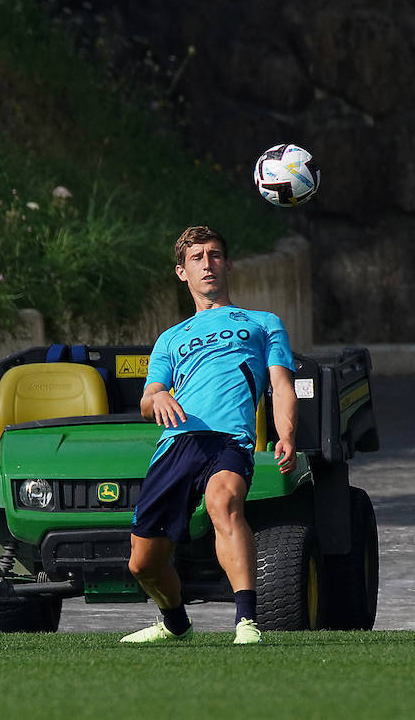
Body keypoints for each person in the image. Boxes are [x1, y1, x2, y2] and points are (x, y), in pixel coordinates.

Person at [121, 225, 297, 645]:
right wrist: (158, 396)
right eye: (197, 258)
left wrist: (286, 434)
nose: (207, 264)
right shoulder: (170, 338)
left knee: (224, 501)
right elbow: (148, 399)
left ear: (228, 264)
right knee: (142, 564)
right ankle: (174, 623)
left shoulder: (263, 323)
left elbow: (281, 386)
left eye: (215, 255)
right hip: (177, 443)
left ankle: (247, 622)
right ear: (182, 272)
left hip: (230, 439)